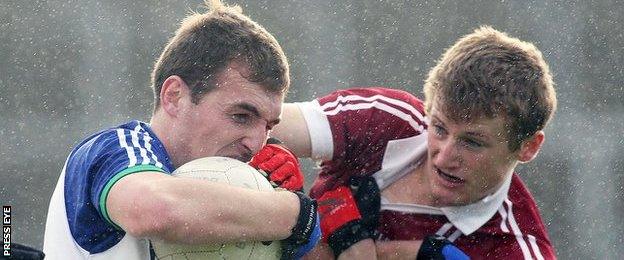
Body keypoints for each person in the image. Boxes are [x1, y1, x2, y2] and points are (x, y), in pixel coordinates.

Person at [42, 1, 320, 259]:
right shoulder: (117, 146)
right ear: (174, 96)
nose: (257, 144)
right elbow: (154, 210)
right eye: (241, 116)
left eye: (269, 126)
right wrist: (295, 214)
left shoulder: (238, 200)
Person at [272, 26, 557, 259]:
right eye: (440, 128)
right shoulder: (389, 120)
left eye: (472, 142)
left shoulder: (516, 248)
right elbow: (254, 124)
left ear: (528, 147)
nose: (444, 157)